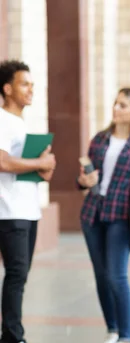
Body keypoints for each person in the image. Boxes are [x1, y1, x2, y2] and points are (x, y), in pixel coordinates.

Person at [77, 88, 130, 343]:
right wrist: (83, 180)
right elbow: (84, 180)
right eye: (115, 103)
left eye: (123, 105)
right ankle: (111, 328)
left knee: (116, 275)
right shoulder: (99, 139)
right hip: (93, 213)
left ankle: (126, 335)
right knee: (100, 274)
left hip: (121, 215)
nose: (116, 108)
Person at [0, 60, 56, 343]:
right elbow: (3, 162)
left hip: (27, 209)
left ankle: (11, 333)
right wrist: (38, 161)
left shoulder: (20, 123)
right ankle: (12, 335)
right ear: (7, 88)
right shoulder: (2, 120)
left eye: (32, 84)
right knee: (17, 274)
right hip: (9, 211)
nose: (31, 89)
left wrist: (44, 167)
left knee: (19, 274)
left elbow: (26, 167)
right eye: (25, 84)